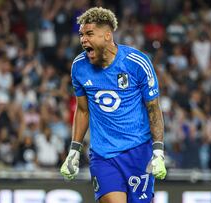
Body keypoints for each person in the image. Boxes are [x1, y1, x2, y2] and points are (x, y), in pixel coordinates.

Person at [60, 7, 167, 203]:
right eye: (81, 34)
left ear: (108, 35)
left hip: (139, 152)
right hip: (103, 156)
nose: (83, 39)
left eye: (89, 33)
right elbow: (83, 111)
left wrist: (158, 151)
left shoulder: (137, 63)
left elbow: (153, 109)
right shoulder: (79, 67)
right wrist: (74, 150)